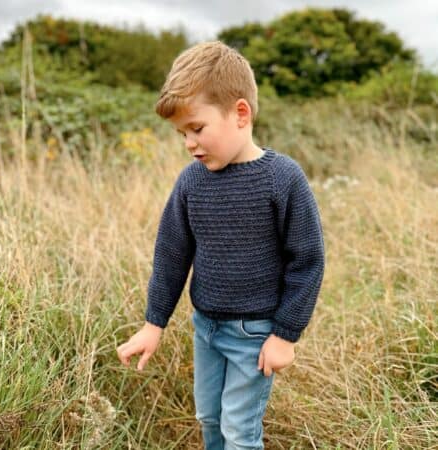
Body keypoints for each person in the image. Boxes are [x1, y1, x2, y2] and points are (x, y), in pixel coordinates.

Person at [117, 40, 325, 450]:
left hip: (255, 333)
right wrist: (152, 324)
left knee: (239, 432)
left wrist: (285, 334)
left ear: (240, 114)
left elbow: (307, 260)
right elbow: (172, 256)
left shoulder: (282, 178)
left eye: (197, 128)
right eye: (181, 133)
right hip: (206, 327)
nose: (189, 143)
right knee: (208, 419)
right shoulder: (191, 182)